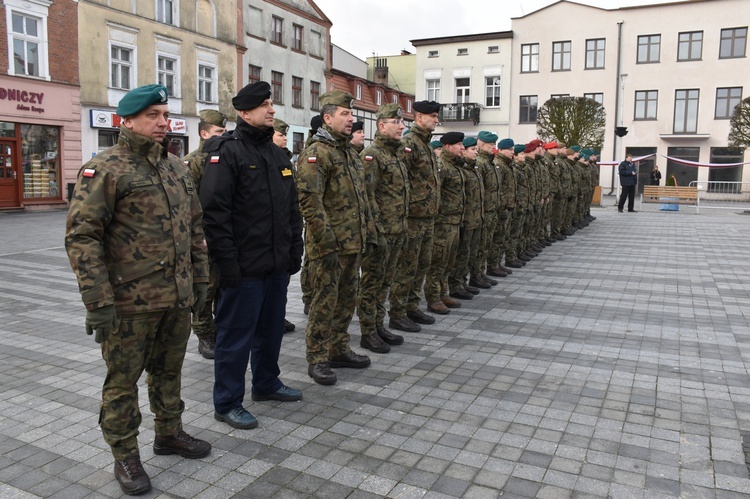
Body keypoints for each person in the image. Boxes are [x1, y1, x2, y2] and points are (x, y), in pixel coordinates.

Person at [65, 84, 211, 496]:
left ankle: (169, 433)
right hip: (129, 303)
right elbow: (82, 237)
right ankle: (125, 454)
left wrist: (200, 281)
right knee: (122, 381)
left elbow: (195, 228)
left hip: (177, 297)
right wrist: (97, 301)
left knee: (169, 371)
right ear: (126, 121)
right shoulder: (106, 168)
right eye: (152, 115)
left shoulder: (175, 167)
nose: (163, 122)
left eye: (164, 114)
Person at [200, 81, 304, 430]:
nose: (272, 110)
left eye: (271, 104)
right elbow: (215, 213)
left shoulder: (278, 155)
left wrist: (294, 250)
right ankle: (227, 402)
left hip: (274, 265)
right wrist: (226, 262)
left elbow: (292, 209)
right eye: (264, 105)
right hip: (243, 268)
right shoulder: (226, 152)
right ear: (244, 113)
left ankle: (266, 383)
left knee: (270, 330)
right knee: (234, 337)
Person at [296, 90, 376, 386]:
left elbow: (360, 200)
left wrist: (366, 233)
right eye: (345, 114)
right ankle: (317, 357)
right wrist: (326, 243)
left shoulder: (348, 153)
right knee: (324, 303)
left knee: (345, 301)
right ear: (327, 118)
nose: (351, 118)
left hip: (352, 243)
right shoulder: (317, 154)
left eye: (351, 114)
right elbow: (310, 203)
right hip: (329, 247)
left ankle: (339, 348)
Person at [356, 103, 409, 352]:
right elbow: (366, 197)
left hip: (397, 229)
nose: (401, 126)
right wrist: (374, 232)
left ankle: (378, 325)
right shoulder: (372, 154)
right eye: (396, 122)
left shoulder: (397, 154)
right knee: (371, 283)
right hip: (380, 233)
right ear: (381, 125)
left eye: (401, 122)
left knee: (385, 282)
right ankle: (367, 332)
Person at [389, 100, 442, 333]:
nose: (436, 120)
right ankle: (397, 312)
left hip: (427, 216)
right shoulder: (409, 143)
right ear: (419, 117)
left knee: (422, 264)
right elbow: (402, 180)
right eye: (432, 116)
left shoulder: (426, 145)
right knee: (406, 267)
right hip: (412, 218)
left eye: (436, 116)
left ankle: (412, 305)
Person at [183, 109, 227, 359]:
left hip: (222, 235)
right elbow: (189, 204)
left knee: (222, 285)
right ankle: (204, 334)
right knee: (205, 287)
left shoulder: (223, 157)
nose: (223, 136)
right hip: (203, 238)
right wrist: (198, 237)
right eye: (218, 132)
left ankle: (220, 330)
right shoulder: (194, 161)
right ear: (204, 133)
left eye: (224, 132)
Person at [425, 132, 466, 312]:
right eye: (459, 144)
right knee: (438, 262)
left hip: (455, 221)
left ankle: (443, 292)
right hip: (442, 223)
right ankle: (433, 297)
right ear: (448, 147)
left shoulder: (455, 166)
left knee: (449, 261)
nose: (462, 148)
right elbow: (435, 194)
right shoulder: (442, 166)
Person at [271, 117, 300, 334]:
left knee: (282, 284)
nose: (285, 138)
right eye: (281, 134)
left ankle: (277, 316)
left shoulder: (286, 161)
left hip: (285, 232)